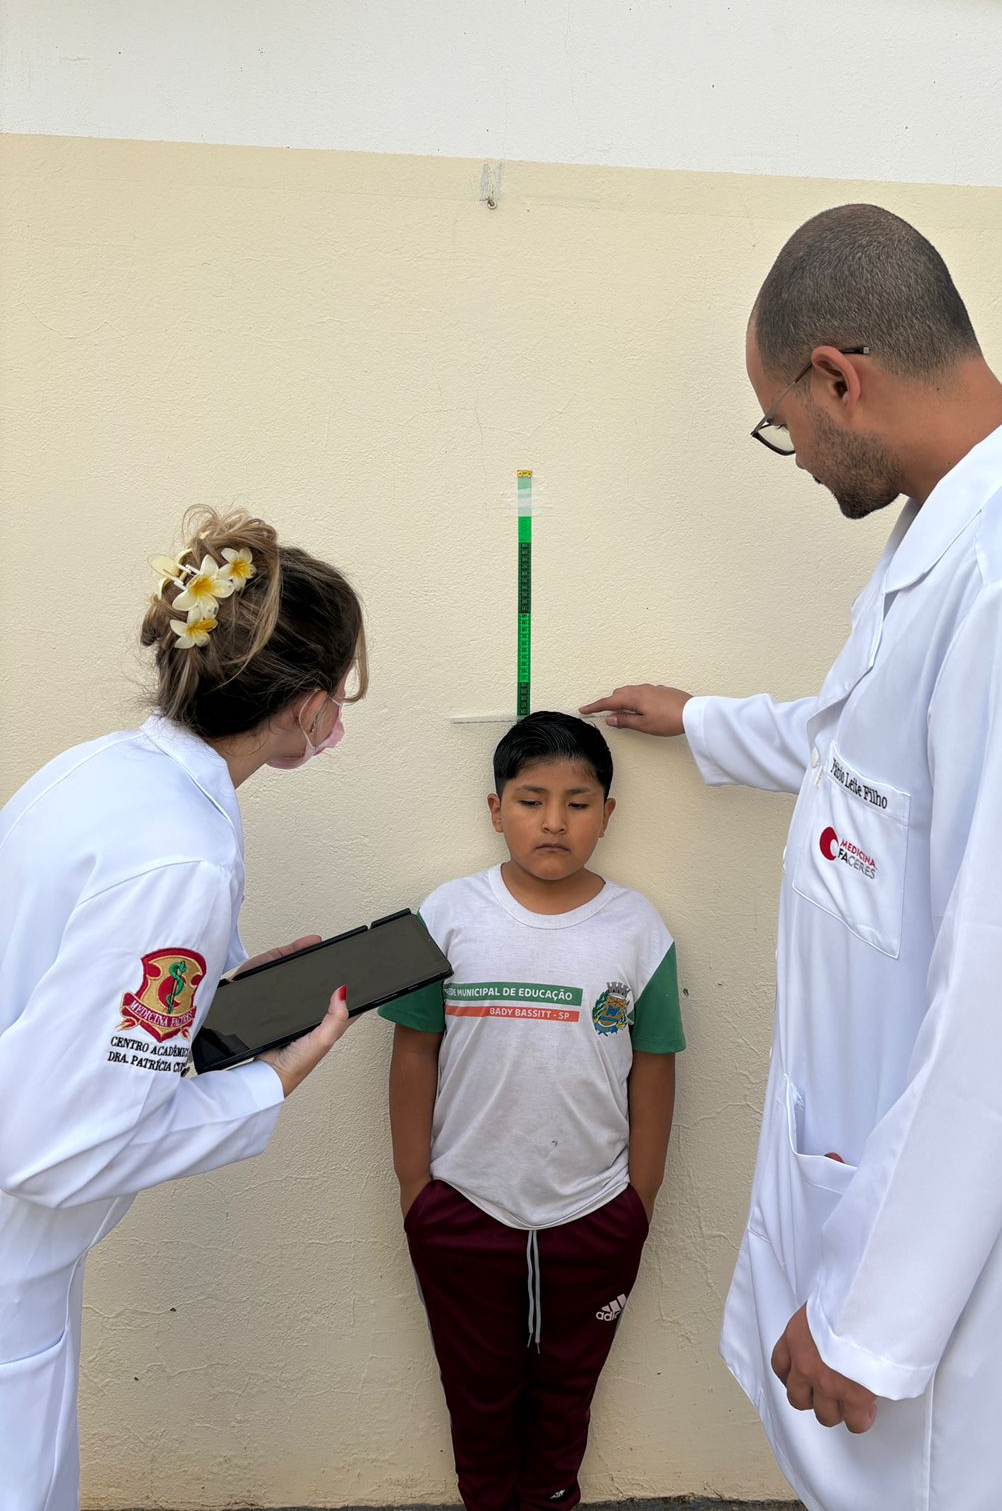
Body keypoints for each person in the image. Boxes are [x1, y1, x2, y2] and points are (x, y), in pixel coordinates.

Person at [582, 205, 1002, 1511]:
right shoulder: (956, 527)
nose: (794, 455)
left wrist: (874, 1317)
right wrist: (699, 722)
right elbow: (868, 737)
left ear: (837, 376)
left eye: (781, 423)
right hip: (915, 1203)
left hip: (980, 1283)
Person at [0, 506, 368, 1511]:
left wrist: (224, 991)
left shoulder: (93, 775)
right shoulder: (183, 854)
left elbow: (67, 989)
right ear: (302, 706)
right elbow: (55, 1150)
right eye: (341, 693)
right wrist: (269, 1077)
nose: (340, 715)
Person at [383, 711, 685, 1511]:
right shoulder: (444, 916)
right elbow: (414, 1052)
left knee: (564, 1401)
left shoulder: (639, 930)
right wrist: (418, 1191)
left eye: (579, 802)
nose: (554, 821)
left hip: (592, 1215)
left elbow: (653, 1069)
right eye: (531, 799)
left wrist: (637, 1203)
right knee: (475, 1397)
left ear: (608, 814)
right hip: (463, 1208)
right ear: (495, 809)